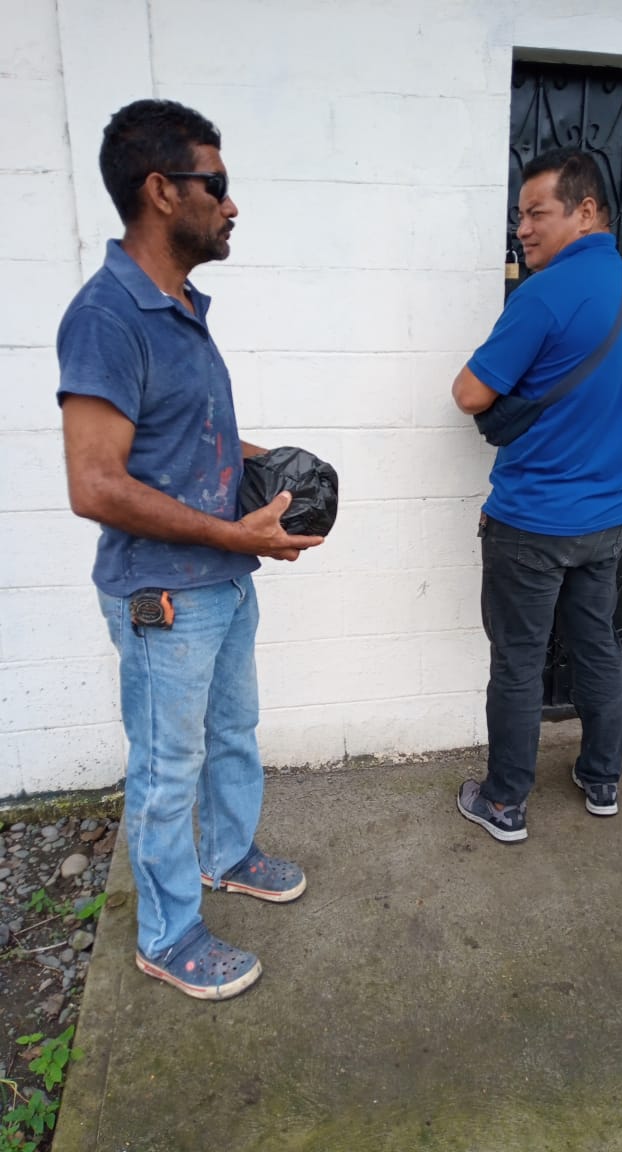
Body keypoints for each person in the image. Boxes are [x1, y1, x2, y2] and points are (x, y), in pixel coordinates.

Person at [57, 99, 324, 999]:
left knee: (232, 735)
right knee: (167, 771)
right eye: (217, 183)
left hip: (224, 578)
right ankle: (167, 938)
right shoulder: (108, 316)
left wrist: (270, 467)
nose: (231, 203)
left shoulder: (178, 307)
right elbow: (96, 484)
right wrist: (230, 532)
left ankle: (227, 855)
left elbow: (182, 437)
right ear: (162, 191)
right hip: (163, 599)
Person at [452, 148, 622, 843]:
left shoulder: (543, 295)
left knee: (518, 661)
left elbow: (469, 394)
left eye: (537, 213)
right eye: (520, 215)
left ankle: (504, 803)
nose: (523, 228)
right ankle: (602, 779)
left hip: (531, 521)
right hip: (608, 518)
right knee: (596, 644)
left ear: (586, 210)